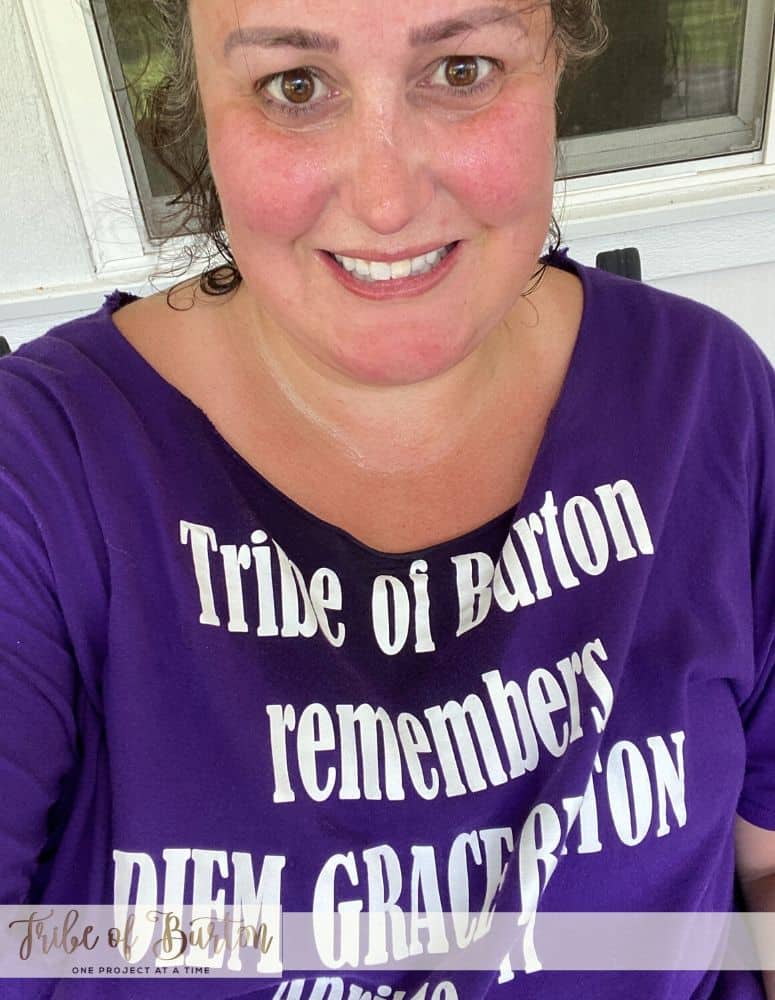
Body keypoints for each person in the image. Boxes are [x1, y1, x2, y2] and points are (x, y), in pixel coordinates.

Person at [1, 1, 774, 997]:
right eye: (295, 86)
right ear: (201, 98)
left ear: (557, 62)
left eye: (460, 70)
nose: (384, 199)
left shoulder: (708, 402)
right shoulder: (42, 474)